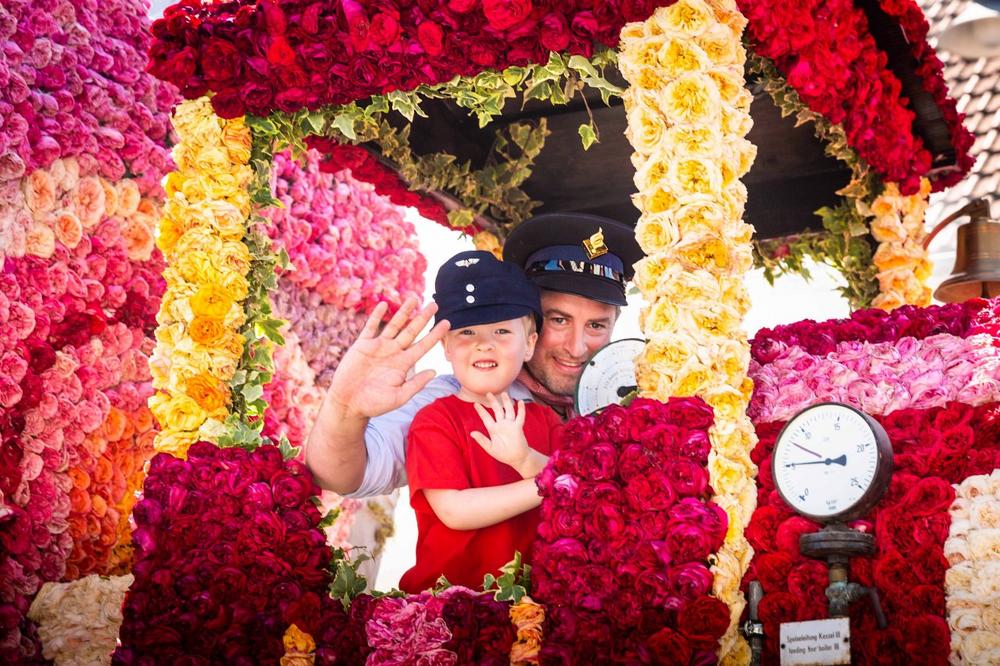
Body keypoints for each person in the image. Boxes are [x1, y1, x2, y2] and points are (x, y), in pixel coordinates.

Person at [306, 213, 643, 497]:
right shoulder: (457, 398)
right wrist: (345, 409)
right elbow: (340, 477)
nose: (577, 347)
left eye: (597, 325)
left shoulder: (635, 401)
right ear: (530, 324)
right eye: (559, 319)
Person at [398, 250, 563, 592]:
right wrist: (542, 482)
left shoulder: (545, 420)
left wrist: (526, 460)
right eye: (467, 332)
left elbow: (573, 491)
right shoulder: (436, 420)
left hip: (531, 603)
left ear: (529, 344)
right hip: (448, 601)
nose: (484, 345)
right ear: (445, 346)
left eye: (502, 330)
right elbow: (455, 511)